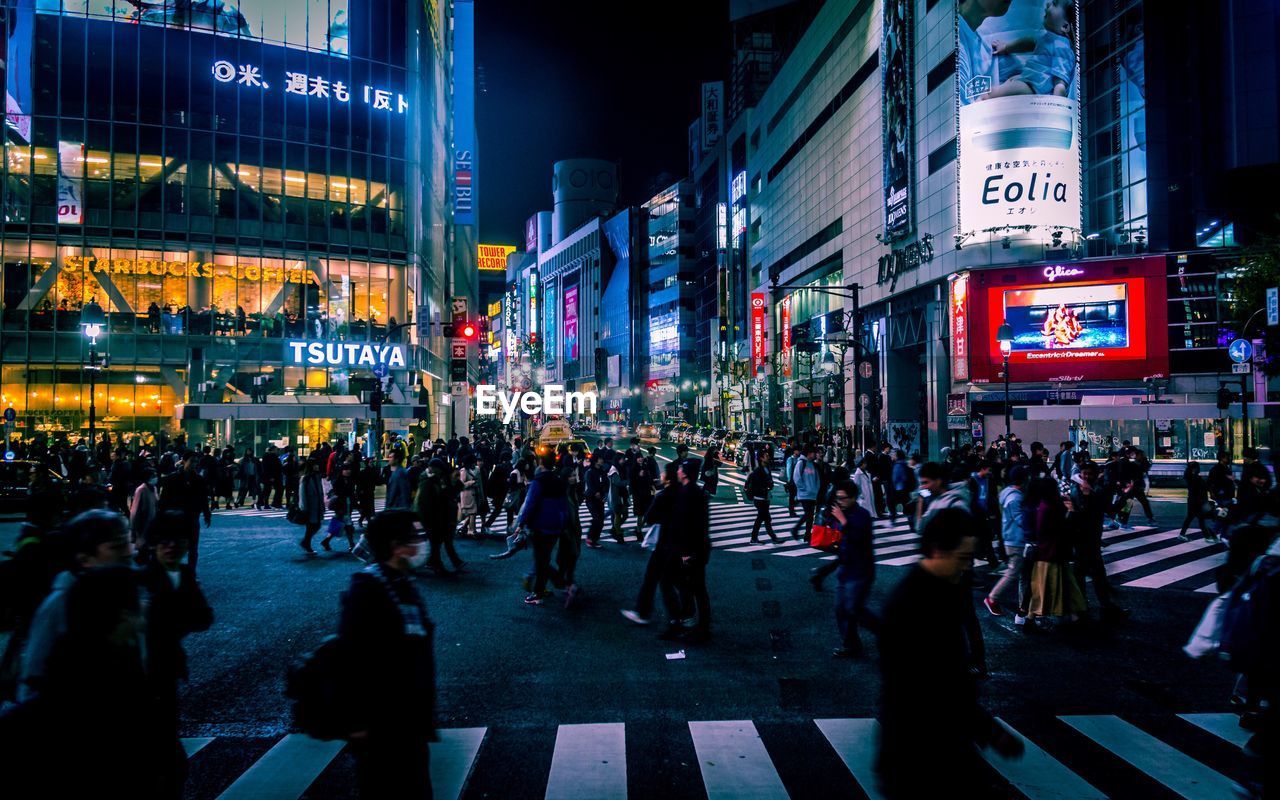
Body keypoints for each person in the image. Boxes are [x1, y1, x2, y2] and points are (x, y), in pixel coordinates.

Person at [875, 508, 1024, 798]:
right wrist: (990, 731)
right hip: (919, 749)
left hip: (938, 743)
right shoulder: (908, 605)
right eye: (963, 559)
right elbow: (926, 686)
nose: (968, 568)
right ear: (936, 550)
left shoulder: (943, 590)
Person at [338, 510, 436, 798]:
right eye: (416, 538)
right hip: (382, 724)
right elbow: (353, 656)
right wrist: (357, 721)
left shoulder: (400, 581)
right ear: (396, 546)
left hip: (407, 720)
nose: (422, 544)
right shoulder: (367, 588)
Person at [17, 509, 136, 703]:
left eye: (127, 542)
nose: (129, 553)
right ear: (84, 560)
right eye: (117, 546)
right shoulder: (58, 605)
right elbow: (33, 678)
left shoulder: (127, 592)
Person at [141, 511, 214, 793]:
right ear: (154, 544)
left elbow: (204, 617)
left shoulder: (184, 575)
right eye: (164, 541)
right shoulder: (141, 579)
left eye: (178, 540)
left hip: (167, 668)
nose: (171, 546)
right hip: (140, 672)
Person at [621, 462, 685, 629]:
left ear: (668, 477)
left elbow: (649, 517)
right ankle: (680, 615)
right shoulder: (682, 493)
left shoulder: (663, 495)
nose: (661, 475)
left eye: (664, 473)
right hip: (677, 543)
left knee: (653, 579)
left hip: (663, 544)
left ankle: (645, 613)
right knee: (672, 580)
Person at [514, 454, 572, 606]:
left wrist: (521, 523)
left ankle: (558, 588)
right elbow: (564, 503)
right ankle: (546, 589)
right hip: (556, 525)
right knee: (543, 559)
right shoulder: (559, 480)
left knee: (541, 561)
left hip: (541, 525)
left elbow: (530, 504)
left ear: (540, 463)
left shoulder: (539, 481)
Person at [665, 459, 712, 642]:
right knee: (697, 588)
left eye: (680, 468)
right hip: (698, 548)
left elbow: (691, 525)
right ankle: (699, 624)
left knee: (695, 587)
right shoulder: (695, 491)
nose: (677, 471)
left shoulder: (689, 493)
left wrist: (686, 552)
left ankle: (698, 626)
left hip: (693, 550)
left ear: (684, 473)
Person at [829, 479, 876, 658]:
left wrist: (843, 521)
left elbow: (858, 539)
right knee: (841, 608)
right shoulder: (841, 512)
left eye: (843, 498)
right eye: (837, 498)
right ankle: (850, 644)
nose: (839, 501)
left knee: (854, 608)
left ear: (854, 497)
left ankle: (884, 632)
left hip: (861, 569)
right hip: (845, 567)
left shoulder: (862, 515)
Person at [984, 466, 1032, 623]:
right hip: (1016, 540)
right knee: (1014, 572)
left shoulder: (1008, 493)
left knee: (1023, 575)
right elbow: (1020, 520)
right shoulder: (1015, 498)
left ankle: (1023, 608)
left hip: (1012, 538)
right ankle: (993, 598)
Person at [158, 452, 212, 572]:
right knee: (173, 546)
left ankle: (191, 572)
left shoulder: (199, 480)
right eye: (192, 461)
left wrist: (207, 514)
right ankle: (170, 569)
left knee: (193, 548)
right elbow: (164, 499)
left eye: (196, 462)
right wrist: (162, 516)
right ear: (183, 461)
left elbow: (203, 498)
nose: (194, 464)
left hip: (192, 517)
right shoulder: (172, 479)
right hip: (175, 518)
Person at [415, 458, 465, 575]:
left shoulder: (433, 478)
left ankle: (436, 564)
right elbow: (424, 502)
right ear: (433, 468)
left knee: (435, 541)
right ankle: (435, 564)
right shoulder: (427, 480)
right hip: (427, 516)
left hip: (433, 515)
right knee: (434, 541)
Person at [789, 444, 820, 540]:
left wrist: (815, 489)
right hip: (804, 494)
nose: (815, 455)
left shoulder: (812, 464)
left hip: (812, 494)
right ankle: (798, 530)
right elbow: (796, 478)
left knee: (810, 515)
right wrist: (805, 489)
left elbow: (816, 479)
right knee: (808, 514)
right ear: (809, 453)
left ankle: (806, 534)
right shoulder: (801, 463)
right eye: (814, 453)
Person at [745, 453, 777, 544]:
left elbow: (770, 482)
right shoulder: (757, 471)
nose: (768, 457)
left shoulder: (767, 469)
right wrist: (765, 487)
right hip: (759, 498)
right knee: (762, 518)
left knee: (765, 519)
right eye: (766, 456)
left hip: (765, 497)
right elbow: (755, 486)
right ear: (761, 458)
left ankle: (771, 538)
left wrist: (770, 485)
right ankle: (756, 538)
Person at [297, 459, 326, 554]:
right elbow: (302, 494)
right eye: (315, 465)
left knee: (316, 525)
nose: (317, 466)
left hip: (317, 505)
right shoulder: (305, 478)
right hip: (310, 506)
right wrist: (304, 507)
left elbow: (320, 492)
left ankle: (305, 542)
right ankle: (306, 543)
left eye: (317, 465)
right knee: (311, 526)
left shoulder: (317, 476)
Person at [1178, 461, 1212, 541]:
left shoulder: (1191, 477)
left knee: (1194, 518)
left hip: (1194, 500)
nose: (1199, 469)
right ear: (1194, 469)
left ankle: (1182, 534)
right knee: (1199, 518)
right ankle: (1207, 536)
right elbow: (1203, 488)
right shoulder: (1195, 478)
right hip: (1197, 501)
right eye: (1198, 467)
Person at [129, 467, 160, 553]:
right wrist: (133, 531)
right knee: (143, 551)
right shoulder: (141, 490)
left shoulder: (154, 488)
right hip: (142, 526)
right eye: (153, 475)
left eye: (155, 475)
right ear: (147, 477)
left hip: (152, 526)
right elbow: (134, 512)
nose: (155, 477)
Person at [583, 453, 608, 549]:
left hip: (600, 499)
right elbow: (589, 484)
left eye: (602, 459)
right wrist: (595, 492)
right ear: (595, 460)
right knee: (597, 519)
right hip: (591, 498)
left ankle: (594, 540)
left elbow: (606, 483)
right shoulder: (590, 471)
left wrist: (605, 493)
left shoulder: (602, 471)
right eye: (600, 459)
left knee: (600, 521)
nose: (602, 461)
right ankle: (590, 539)